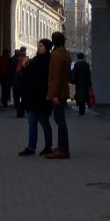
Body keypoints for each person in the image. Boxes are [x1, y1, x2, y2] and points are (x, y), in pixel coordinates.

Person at [17, 38, 53, 156]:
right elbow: (27, 76)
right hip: (32, 98)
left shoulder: (49, 61)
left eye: (41, 46)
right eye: (38, 45)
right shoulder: (34, 60)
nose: (39, 48)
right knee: (32, 123)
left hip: (43, 98)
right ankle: (31, 147)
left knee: (44, 123)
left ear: (47, 48)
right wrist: (24, 66)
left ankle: (48, 146)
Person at [45, 30, 71, 159]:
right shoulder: (64, 53)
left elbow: (56, 76)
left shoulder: (57, 55)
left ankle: (63, 149)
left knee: (60, 121)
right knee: (60, 121)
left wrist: (53, 95)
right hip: (62, 91)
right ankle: (62, 147)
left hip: (58, 93)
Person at [10, 47, 27, 117]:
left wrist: (12, 79)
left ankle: (18, 109)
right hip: (24, 81)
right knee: (24, 96)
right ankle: (21, 110)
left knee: (16, 96)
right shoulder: (26, 59)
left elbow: (10, 70)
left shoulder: (14, 59)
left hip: (16, 80)